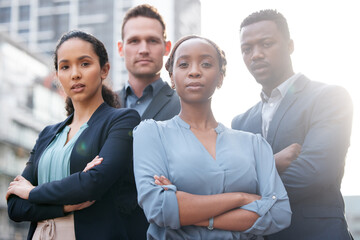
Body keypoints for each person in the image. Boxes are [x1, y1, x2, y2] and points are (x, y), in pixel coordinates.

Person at [133, 35, 291, 240]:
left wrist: (186, 211)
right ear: (172, 77)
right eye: (183, 64)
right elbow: (158, 208)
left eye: (206, 64)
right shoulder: (151, 133)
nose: (195, 71)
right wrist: (240, 198)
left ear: (220, 77)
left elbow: (279, 214)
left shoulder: (254, 143)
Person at [6, 30, 145, 240]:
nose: (75, 74)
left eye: (85, 63)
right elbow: (15, 206)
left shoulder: (123, 120)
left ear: (104, 69)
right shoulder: (47, 134)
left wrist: (33, 192)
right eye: (65, 67)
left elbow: (93, 184)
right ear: (58, 76)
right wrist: (64, 205)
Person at [232, 9, 353, 240]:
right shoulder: (240, 121)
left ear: (290, 46)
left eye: (266, 44)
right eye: (247, 49)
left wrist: (241, 195)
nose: (256, 54)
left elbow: (314, 171)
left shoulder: (330, 97)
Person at [117, 4, 180, 121]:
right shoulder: (101, 105)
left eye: (152, 41)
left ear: (167, 47)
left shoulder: (186, 106)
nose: (144, 50)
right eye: (134, 41)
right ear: (121, 49)